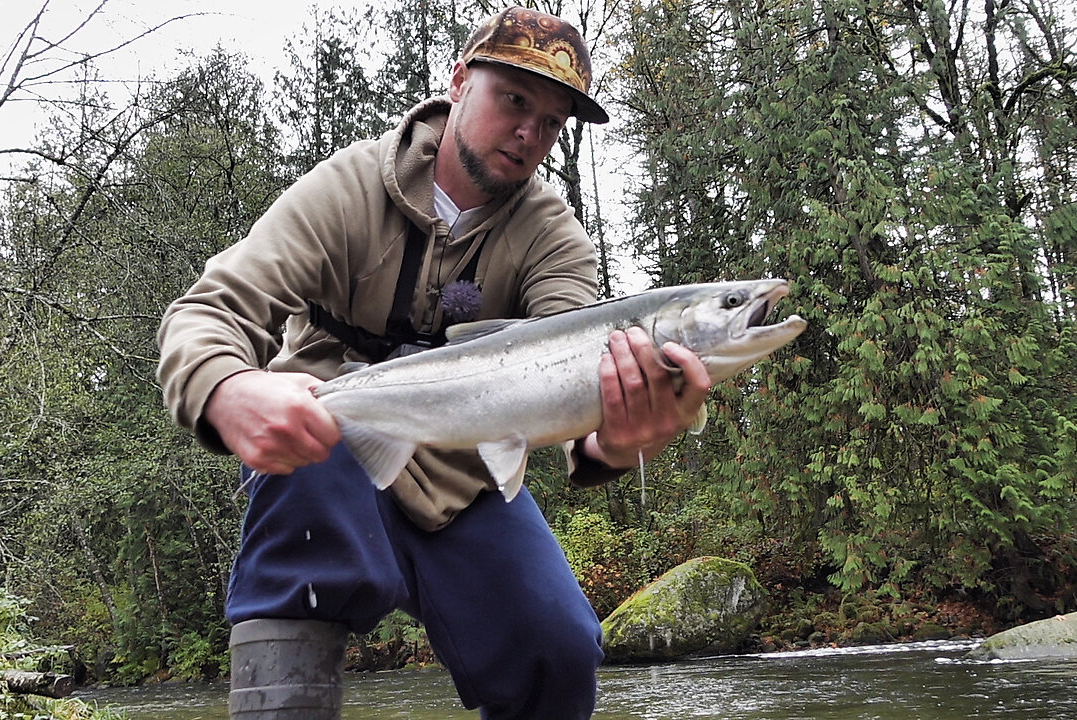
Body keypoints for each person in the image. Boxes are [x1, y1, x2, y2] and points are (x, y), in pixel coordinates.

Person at [156, 7, 710, 719]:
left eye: (550, 123)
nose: (529, 134)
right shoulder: (347, 188)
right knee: (306, 503)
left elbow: (576, 393)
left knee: (560, 645)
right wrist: (228, 390)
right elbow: (204, 314)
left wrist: (616, 441)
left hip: (459, 477)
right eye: (514, 101)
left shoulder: (555, 239)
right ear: (458, 83)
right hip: (326, 441)